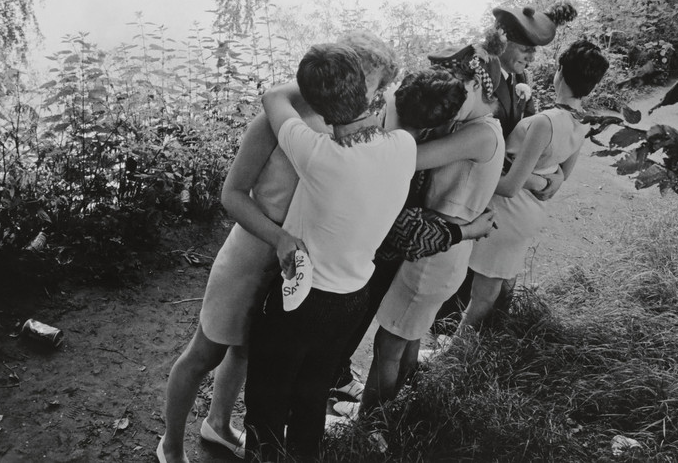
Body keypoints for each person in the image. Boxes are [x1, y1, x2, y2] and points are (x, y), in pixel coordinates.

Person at [157, 32, 398, 463]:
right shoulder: (276, 120)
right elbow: (232, 194)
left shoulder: (341, 125)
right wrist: (279, 237)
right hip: (251, 258)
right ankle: (171, 446)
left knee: (248, 350)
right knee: (204, 353)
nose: (371, 97)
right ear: (345, 75)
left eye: (375, 89)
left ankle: (218, 425)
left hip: (292, 268)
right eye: (369, 84)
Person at [243, 44, 417, 462]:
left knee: (266, 404)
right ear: (370, 92)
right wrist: (345, 83)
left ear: (319, 108)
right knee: (311, 397)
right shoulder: (404, 147)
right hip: (354, 297)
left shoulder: (318, 155)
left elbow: (273, 98)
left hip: (300, 300)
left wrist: (317, 86)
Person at [328, 69, 497, 409]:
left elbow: (407, 169)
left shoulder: (466, 129)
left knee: (391, 340)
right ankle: (383, 413)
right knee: (398, 338)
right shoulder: (458, 127)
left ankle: (372, 421)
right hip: (420, 250)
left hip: (422, 254)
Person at [463, 40, 609, 329]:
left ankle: (456, 351)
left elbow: (508, 186)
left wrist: (481, 168)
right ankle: (493, 338)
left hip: (509, 211)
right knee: (502, 284)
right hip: (530, 212)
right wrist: (544, 179)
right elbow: (562, 175)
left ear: (560, 74)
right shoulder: (582, 122)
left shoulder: (545, 122)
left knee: (484, 292)